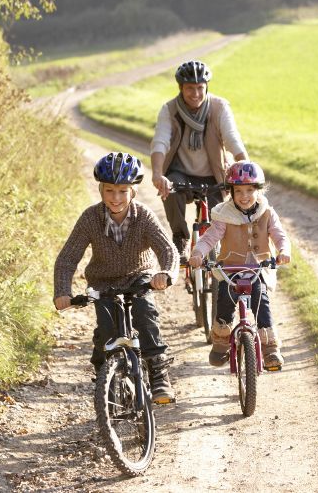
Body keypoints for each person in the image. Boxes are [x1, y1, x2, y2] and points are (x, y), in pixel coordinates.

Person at [53, 152, 180, 403]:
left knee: (145, 317)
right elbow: (68, 257)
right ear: (101, 189)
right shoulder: (90, 218)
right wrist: (62, 291)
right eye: (110, 191)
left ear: (132, 191)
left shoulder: (143, 215)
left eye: (123, 191)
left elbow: (167, 249)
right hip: (103, 282)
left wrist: (166, 273)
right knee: (106, 332)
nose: (116, 198)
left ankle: (157, 375)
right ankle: (104, 377)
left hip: (139, 277)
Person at [189, 161, 291, 369]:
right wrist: (198, 253)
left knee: (261, 301)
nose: (244, 196)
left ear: (258, 190)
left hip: (258, 268)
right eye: (238, 191)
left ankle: (270, 348)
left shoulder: (267, 213)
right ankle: (221, 343)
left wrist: (283, 251)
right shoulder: (224, 216)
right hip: (230, 269)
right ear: (231, 192)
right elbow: (210, 238)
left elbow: (279, 235)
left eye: (249, 190)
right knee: (225, 301)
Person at [151, 60, 249, 263]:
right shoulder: (169, 110)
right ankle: (180, 239)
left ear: (206, 87)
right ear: (180, 88)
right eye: (189, 88)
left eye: (199, 88)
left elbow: (232, 139)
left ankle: (217, 253)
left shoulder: (219, 107)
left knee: (219, 217)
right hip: (181, 173)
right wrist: (157, 173)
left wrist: (245, 165)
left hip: (215, 174)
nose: (195, 93)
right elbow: (160, 142)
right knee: (171, 191)